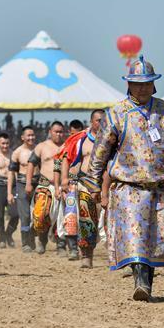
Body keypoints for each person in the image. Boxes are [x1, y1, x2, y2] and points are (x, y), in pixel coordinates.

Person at [82, 56, 164, 301]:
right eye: (137, 83)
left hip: (161, 188)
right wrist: (93, 184)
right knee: (135, 237)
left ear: (154, 84)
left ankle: (146, 281)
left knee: (158, 239)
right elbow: (100, 153)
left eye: (147, 83)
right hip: (129, 189)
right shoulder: (116, 114)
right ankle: (141, 283)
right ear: (128, 84)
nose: (142, 87)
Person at [56, 109, 105, 267]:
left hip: (107, 184)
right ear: (92, 121)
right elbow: (66, 158)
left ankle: (117, 255)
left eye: (104, 120)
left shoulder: (114, 139)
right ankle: (86, 256)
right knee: (86, 220)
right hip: (85, 183)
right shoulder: (81, 140)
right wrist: (64, 179)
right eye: (98, 120)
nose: (101, 123)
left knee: (111, 221)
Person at [25, 121, 66, 255]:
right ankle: (42, 242)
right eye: (56, 131)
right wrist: (28, 183)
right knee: (42, 214)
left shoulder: (67, 146)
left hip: (63, 186)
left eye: (61, 131)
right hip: (45, 186)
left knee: (63, 216)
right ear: (50, 131)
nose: (59, 134)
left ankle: (61, 246)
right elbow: (31, 164)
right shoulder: (42, 147)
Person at [8, 126, 38, 253]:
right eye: (28, 135)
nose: (31, 137)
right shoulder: (17, 152)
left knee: (40, 214)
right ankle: (25, 243)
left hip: (38, 183)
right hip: (21, 184)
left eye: (32, 135)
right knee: (25, 215)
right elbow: (11, 173)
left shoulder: (39, 150)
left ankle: (34, 236)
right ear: (23, 137)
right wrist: (9, 192)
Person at [0, 133, 19, 248]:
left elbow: (17, 172)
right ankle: (1, 239)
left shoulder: (13, 155)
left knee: (15, 214)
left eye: (7, 143)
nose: (5, 145)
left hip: (12, 186)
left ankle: (9, 234)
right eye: (3, 143)